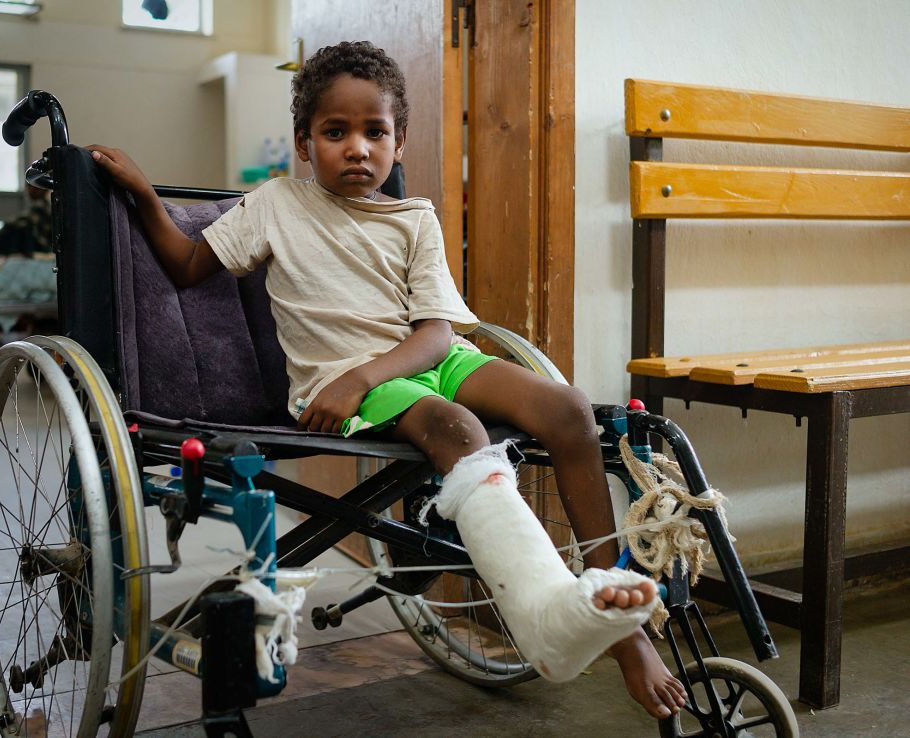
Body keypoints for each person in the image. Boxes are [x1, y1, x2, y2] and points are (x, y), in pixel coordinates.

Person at [89, 41, 686, 720]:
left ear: (399, 142)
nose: (357, 148)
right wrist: (143, 194)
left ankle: (621, 621)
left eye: (375, 132)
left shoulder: (414, 219)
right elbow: (189, 266)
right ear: (305, 144)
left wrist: (373, 372)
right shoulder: (276, 205)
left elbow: (436, 335)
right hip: (345, 381)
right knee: (454, 427)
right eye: (335, 132)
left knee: (571, 410)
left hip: (422, 361)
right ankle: (547, 616)